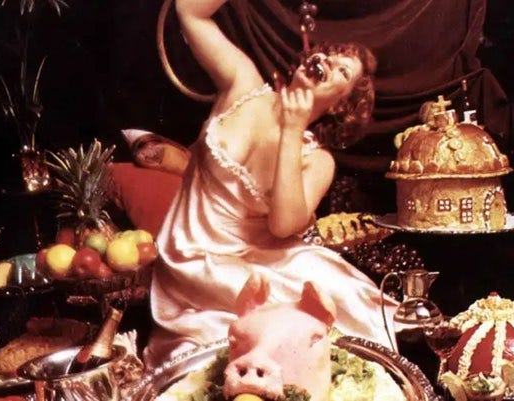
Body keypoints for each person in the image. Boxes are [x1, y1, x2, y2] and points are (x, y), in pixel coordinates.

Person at [143, 0, 402, 367]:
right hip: (192, 258)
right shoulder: (243, 83)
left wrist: (293, 129)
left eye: (342, 71)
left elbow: (283, 226)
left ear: (339, 106)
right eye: (329, 55)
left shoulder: (317, 160)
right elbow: (189, 12)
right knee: (269, 310)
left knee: (341, 293)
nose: (329, 63)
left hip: (260, 256)